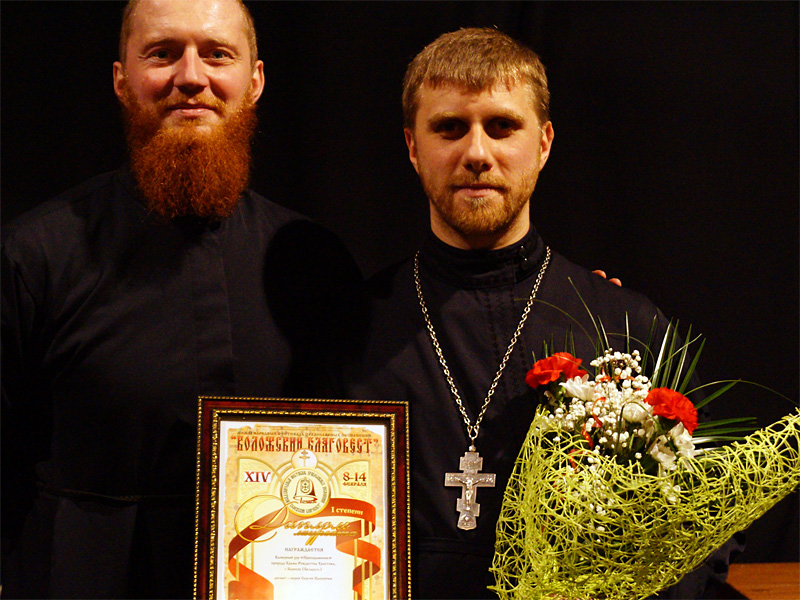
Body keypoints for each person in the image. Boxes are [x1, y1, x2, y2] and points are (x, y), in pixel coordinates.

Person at [338, 28, 740, 599]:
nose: (477, 153)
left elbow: (707, 526)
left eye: (502, 126)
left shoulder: (624, 325)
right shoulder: (350, 329)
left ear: (544, 143)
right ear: (412, 146)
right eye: (449, 128)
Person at [1, 0, 358, 597]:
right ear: (121, 80)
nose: (191, 77)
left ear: (255, 81)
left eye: (217, 54)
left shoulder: (315, 263)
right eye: (162, 54)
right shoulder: (35, 255)